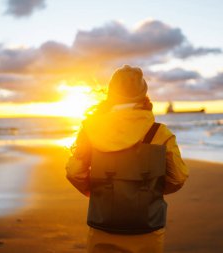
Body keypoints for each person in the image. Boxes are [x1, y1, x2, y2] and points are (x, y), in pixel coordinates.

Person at [65, 65, 189, 253]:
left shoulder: (91, 129)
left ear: (111, 91)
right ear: (143, 93)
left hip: (102, 227)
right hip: (147, 229)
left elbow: (74, 172)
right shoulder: (160, 133)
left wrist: (97, 191)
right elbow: (178, 177)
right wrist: (149, 189)